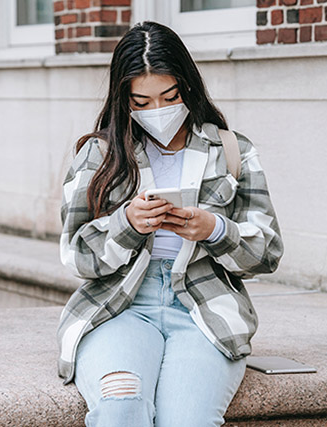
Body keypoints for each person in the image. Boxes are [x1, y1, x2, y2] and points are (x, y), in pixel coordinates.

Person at [56, 20, 284, 427]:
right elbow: (75, 255)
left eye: (168, 96)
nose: (157, 112)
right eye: (141, 102)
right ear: (123, 98)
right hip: (119, 306)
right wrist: (125, 224)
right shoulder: (100, 155)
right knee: (121, 404)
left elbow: (266, 251)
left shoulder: (232, 149)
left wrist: (214, 230)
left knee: (188, 421)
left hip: (204, 307)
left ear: (187, 86)